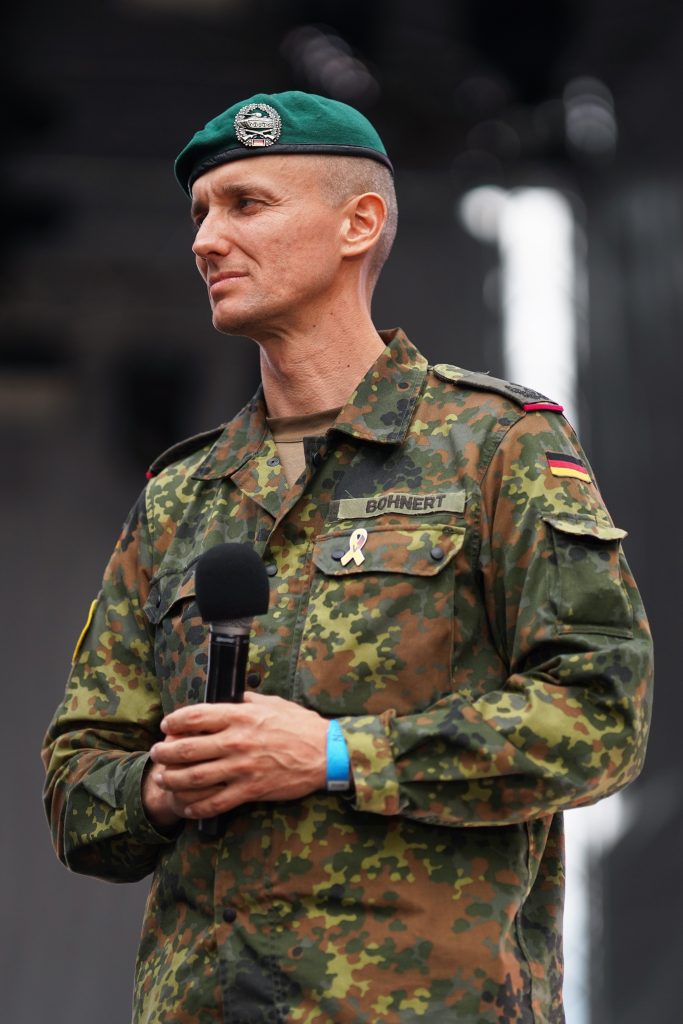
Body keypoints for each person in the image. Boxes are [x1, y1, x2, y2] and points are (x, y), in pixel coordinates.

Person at [42, 90, 653, 1024]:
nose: (206, 240)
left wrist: (334, 754)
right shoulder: (180, 497)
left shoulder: (494, 446)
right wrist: (161, 786)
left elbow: (601, 720)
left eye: (246, 205)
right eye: (199, 214)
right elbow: (80, 783)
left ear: (356, 223)